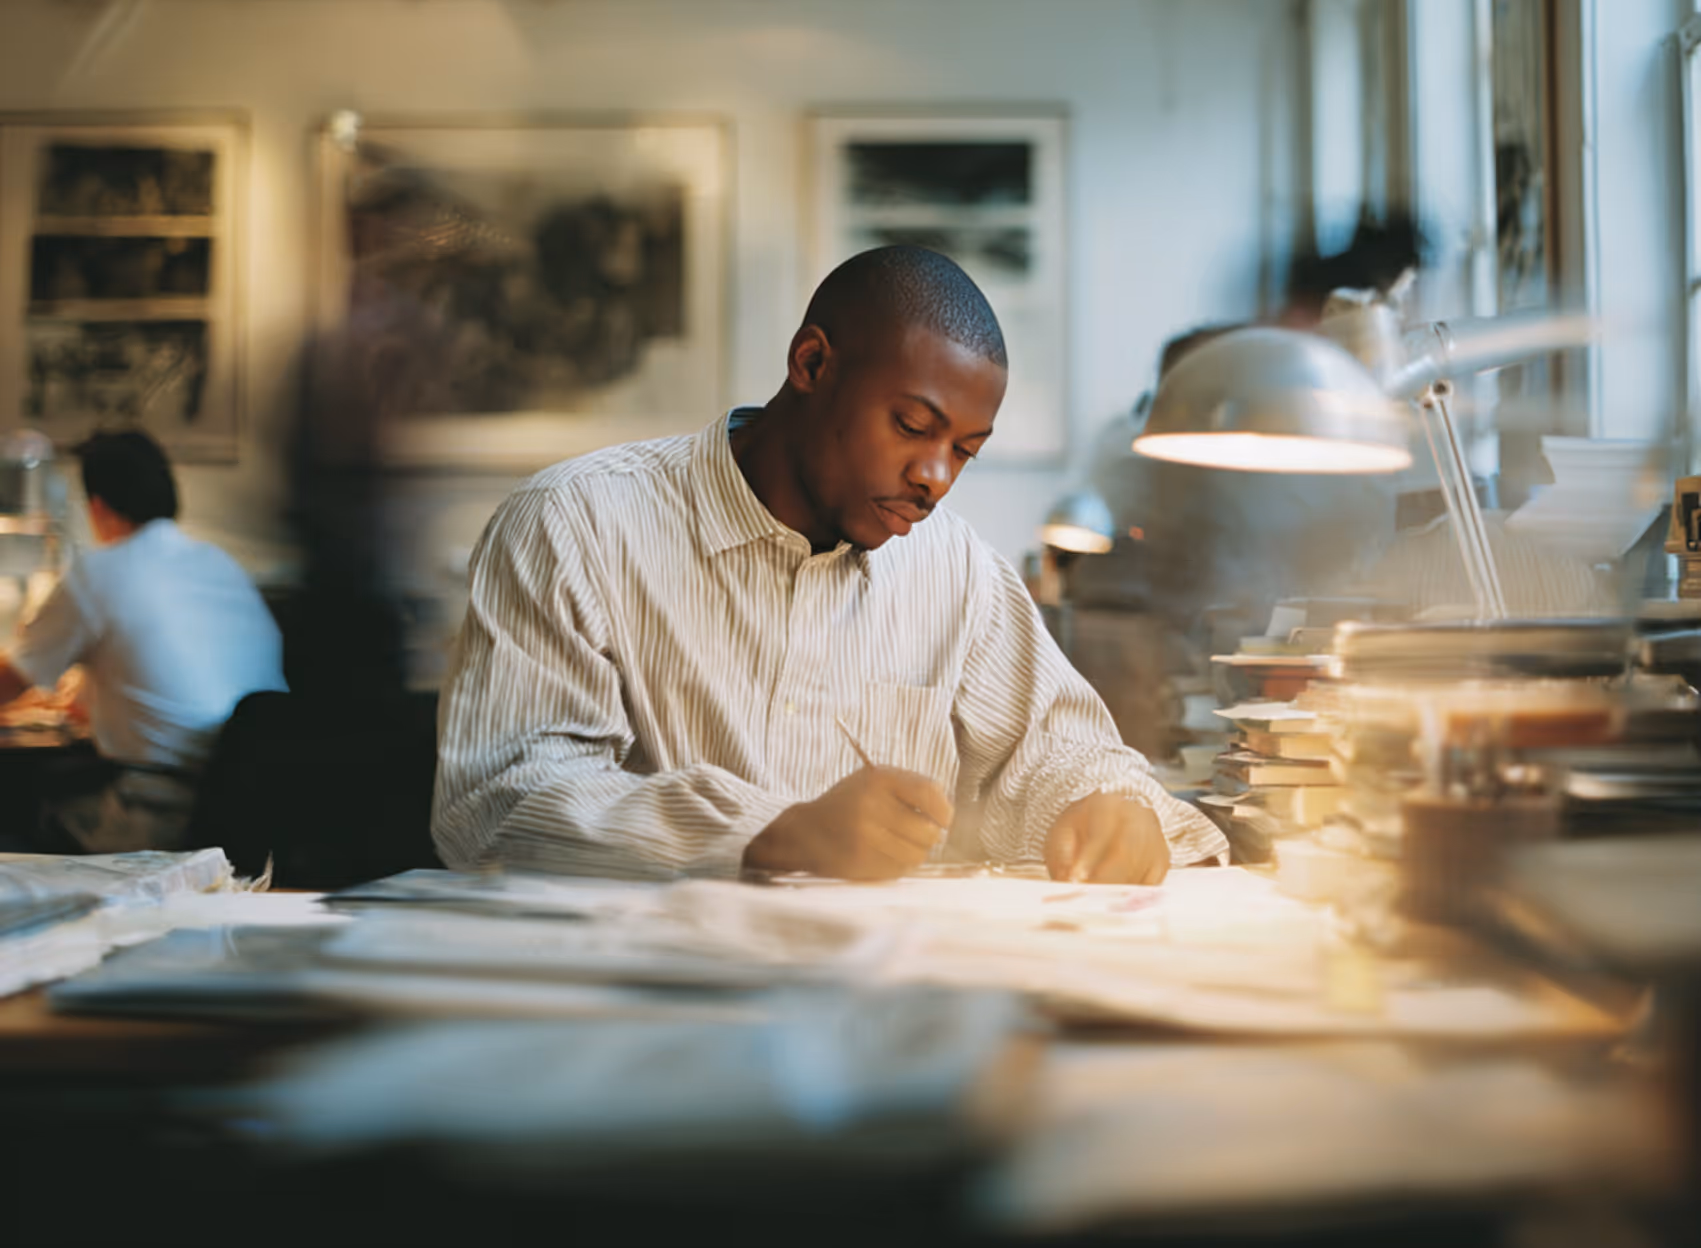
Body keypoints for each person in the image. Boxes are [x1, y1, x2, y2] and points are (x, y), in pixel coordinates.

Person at [434, 245, 1226, 884]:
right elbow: (500, 803)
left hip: (884, 1025)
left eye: (964, 451)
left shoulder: (955, 572)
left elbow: (1055, 753)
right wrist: (772, 833)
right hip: (635, 1018)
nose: (935, 478)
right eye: (913, 425)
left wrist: (1107, 806)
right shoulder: (574, 525)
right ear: (811, 364)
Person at [0, 429, 288, 852]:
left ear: (96, 507)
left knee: (16, 814)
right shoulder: (217, 563)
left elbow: (9, 683)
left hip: (157, 816)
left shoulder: (99, 573)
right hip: (252, 808)